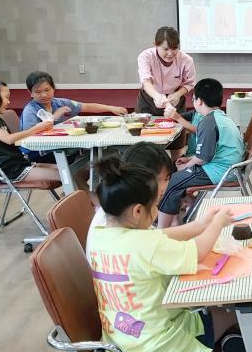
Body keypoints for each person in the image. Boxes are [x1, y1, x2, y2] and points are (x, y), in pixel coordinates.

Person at [85, 155, 240, 352]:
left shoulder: (102, 235)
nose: (157, 210)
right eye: (155, 205)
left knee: (209, 309)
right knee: (237, 312)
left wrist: (199, 225)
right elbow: (197, 252)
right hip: (158, 347)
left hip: (121, 344)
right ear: (138, 211)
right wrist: (217, 224)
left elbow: (159, 236)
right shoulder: (144, 244)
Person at [157, 79, 243, 227]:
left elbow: (203, 157)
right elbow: (210, 150)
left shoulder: (208, 121)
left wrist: (187, 165)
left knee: (172, 182)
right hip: (228, 167)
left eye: (194, 99)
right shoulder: (219, 116)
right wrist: (189, 159)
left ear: (200, 101)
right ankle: (178, 218)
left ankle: (162, 230)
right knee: (175, 175)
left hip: (221, 171)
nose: (194, 102)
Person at [19, 71, 126, 162]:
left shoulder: (60, 102)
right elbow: (30, 136)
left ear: (53, 88)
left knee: (101, 153)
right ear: (30, 93)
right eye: (38, 92)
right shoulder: (30, 110)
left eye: (47, 90)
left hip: (62, 147)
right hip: (38, 152)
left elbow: (86, 106)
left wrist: (111, 108)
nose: (44, 95)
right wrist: (54, 116)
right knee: (91, 158)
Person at [88, 142, 176, 238]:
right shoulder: (124, 220)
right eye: (157, 180)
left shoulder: (115, 205)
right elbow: (154, 240)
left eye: (166, 179)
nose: (163, 187)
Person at [136, 26, 196, 159]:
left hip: (175, 99)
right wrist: (157, 96)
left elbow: (189, 83)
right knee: (145, 140)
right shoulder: (146, 56)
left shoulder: (186, 60)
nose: (170, 53)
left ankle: (175, 167)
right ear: (155, 45)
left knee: (177, 141)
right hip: (149, 98)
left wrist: (178, 94)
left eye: (174, 48)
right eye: (165, 49)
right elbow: (146, 81)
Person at [0, 79, 62, 185]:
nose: (9, 102)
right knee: (63, 174)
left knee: (67, 169)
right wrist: (36, 129)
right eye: (6, 97)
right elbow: (8, 139)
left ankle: (79, 194)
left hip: (18, 162)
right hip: (7, 169)